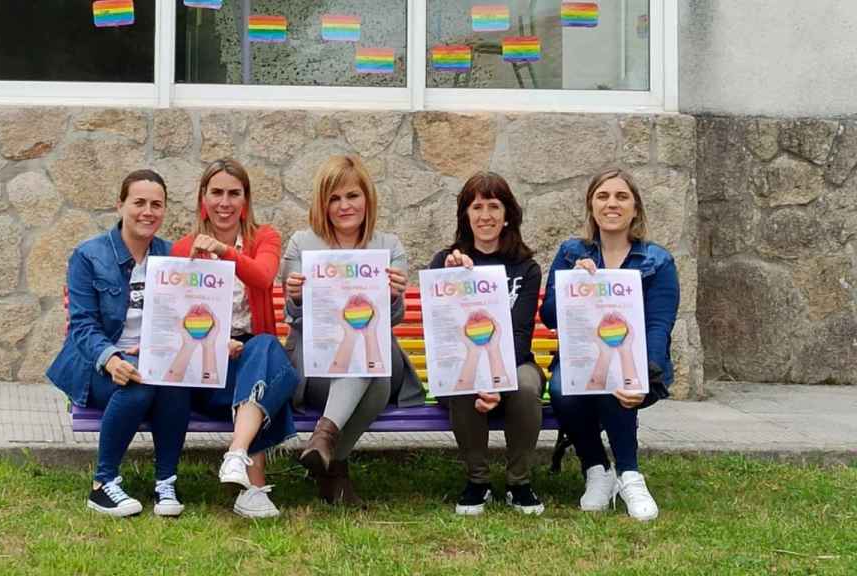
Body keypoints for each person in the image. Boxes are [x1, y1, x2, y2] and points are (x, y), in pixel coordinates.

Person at [47, 169, 191, 518]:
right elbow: (81, 326)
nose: (148, 211)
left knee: (175, 386)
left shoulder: (171, 256)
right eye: (139, 202)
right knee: (138, 388)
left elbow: (186, 316)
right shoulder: (88, 255)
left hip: (152, 359)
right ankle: (103, 485)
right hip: (95, 362)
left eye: (156, 204)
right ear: (120, 205)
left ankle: (165, 483)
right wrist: (112, 358)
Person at [281, 155, 424, 505]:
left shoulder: (389, 247)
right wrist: (297, 298)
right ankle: (335, 464)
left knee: (369, 353)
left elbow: (391, 322)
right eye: (334, 198)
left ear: (367, 198)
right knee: (373, 382)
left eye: (352, 196)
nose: (344, 206)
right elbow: (294, 317)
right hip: (318, 367)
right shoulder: (302, 244)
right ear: (323, 204)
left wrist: (391, 296)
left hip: (378, 354)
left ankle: (324, 441)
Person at [540, 168, 679, 522]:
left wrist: (644, 375)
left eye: (621, 197)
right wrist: (574, 284)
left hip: (638, 361)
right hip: (579, 361)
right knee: (562, 388)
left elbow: (659, 325)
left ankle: (630, 475)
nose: (611, 204)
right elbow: (551, 317)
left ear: (635, 209)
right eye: (602, 196)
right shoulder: (572, 253)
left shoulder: (658, 261)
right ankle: (597, 469)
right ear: (591, 206)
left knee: (618, 377)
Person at [170, 158, 299, 519]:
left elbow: (263, 276)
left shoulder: (264, 238)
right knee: (274, 371)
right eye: (217, 193)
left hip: (251, 355)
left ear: (246, 200)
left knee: (264, 348)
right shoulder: (182, 248)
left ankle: (236, 455)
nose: (225, 202)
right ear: (202, 198)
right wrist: (213, 345)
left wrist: (226, 252)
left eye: (234, 194)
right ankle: (252, 487)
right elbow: (175, 318)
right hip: (206, 366)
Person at [428, 171, 545, 517]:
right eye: (476, 206)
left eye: (494, 206)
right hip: (463, 361)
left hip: (513, 359)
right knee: (464, 382)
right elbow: (443, 331)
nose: (486, 215)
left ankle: (518, 482)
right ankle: (477, 481)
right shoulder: (445, 262)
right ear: (466, 215)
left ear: (508, 214)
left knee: (525, 386)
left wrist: (496, 378)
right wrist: (449, 275)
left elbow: (522, 335)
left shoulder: (526, 267)